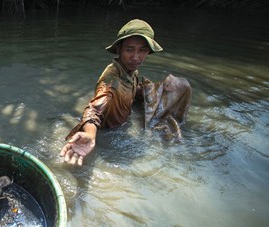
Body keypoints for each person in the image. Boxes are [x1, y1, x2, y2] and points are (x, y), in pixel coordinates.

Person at [60, 19, 188, 166]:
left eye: (142, 50)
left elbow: (133, 90)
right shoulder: (111, 81)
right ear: (119, 49)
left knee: (180, 86)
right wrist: (90, 135)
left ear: (148, 51)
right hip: (109, 133)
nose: (135, 56)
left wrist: (155, 91)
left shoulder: (130, 71)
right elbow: (94, 110)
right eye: (129, 49)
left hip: (123, 125)